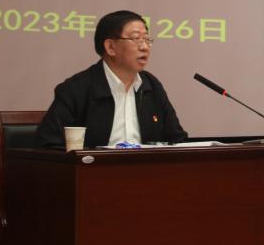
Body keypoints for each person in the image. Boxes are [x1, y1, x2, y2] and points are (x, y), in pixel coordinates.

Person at [34, 10, 188, 149]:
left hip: (146, 169)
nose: (145, 47)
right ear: (110, 47)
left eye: (147, 39)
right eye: (136, 39)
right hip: (94, 170)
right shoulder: (76, 88)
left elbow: (176, 139)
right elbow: (48, 144)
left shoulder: (151, 86)